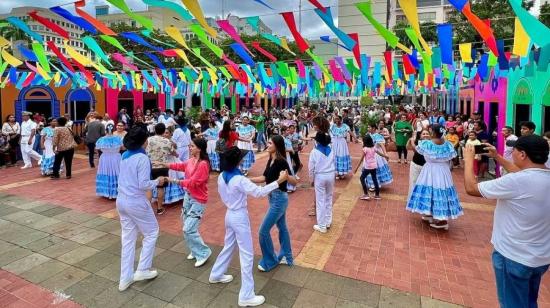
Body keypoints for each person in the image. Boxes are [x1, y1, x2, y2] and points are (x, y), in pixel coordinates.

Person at [463, 135, 550, 308]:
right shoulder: (540, 177)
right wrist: (497, 157)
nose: (513, 154)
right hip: (540, 257)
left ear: (523, 154)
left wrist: (468, 159)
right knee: (529, 301)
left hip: (512, 256)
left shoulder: (516, 181)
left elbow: (471, 188)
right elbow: (525, 174)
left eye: (515, 151)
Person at [209, 146, 287, 307]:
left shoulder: (222, 176)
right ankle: (246, 295)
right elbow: (259, 193)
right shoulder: (239, 179)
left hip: (229, 214)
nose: (243, 159)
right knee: (247, 255)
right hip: (238, 216)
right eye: (241, 158)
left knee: (229, 246)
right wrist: (278, 181)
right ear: (237, 161)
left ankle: (216, 274)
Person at [116, 127, 164, 292]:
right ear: (144, 141)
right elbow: (143, 184)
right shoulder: (142, 158)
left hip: (121, 200)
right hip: (136, 201)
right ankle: (143, 269)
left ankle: (125, 278)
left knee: (128, 239)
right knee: (151, 232)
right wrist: (157, 181)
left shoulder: (124, 155)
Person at [250, 135, 297, 271]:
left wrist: (286, 177)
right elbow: (264, 178)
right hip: (273, 198)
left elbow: (294, 181)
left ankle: (270, 261)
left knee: (263, 231)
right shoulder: (271, 159)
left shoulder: (281, 162)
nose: (267, 144)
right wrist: (247, 180)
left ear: (276, 145)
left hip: (279, 199)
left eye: (270, 143)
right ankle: (287, 256)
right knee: (282, 227)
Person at [165, 138, 212, 267]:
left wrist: (172, 180)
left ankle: (203, 252)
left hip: (198, 199)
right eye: (189, 146)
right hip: (188, 196)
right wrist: (165, 164)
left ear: (199, 148)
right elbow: (181, 166)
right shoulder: (192, 160)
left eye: (192, 146)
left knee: (188, 228)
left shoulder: (203, 164)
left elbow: (193, 182)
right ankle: (195, 250)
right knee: (187, 225)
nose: (189, 148)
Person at [406, 125, 462, 230]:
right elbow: (454, 159)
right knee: (441, 191)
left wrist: (413, 141)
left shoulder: (427, 144)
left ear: (434, 132)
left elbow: (417, 151)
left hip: (430, 170)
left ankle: (442, 220)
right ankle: (431, 214)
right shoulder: (448, 145)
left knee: (430, 191)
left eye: (431, 131)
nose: (430, 133)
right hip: (443, 171)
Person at [308, 131, 335, 233]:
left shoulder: (314, 152)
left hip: (320, 176)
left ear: (317, 141)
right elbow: (334, 162)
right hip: (330, 175)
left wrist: (311, 180)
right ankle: (328, 221)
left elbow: (311, 168)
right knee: (329, 198)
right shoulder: (331, 149)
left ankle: (322, 226)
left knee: (320, 200)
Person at [146, 123, 174, 215]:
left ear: (155, 130)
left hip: (149, 166)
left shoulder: (148, 140)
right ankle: (159, 208)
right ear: (163, 131)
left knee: (149, 187)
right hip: (162, 166)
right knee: (160, 187)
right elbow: (172, 152)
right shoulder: (167, 141)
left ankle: (147, 209)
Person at [95, 124, 123, 199]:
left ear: (105, 130)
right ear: (113, 130)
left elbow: (98, 149)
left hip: (105, 158)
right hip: (116, 158)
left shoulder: (101, 139)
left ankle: (106, 191)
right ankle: (117, 191)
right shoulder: (118, 139)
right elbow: (122, 148)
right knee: (116, 172)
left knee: (106, 172)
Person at [360, 135, 388, 200]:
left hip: (368, 167)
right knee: (374, 179)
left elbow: (361, 159)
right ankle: (377, 195)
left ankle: (366, 194)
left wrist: (356, 168)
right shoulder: (374, 148)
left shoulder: (365, 149)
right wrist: (385, 156)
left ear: (365, 142)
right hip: (374, 166)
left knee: (361, 178)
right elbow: (380, 153)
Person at [365, 124, 393, 188]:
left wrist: (385, 154)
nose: (368, 128)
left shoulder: (378, 136)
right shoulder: (368, 135)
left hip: (376, 155)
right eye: (368, 127)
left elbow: (382, 145)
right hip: (369, 155)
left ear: (374, 128)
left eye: (369, 127)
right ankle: (371, 184)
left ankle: (375, 185)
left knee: (375, 170)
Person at [406, 129, 431, 199]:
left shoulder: (431, 144)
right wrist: (410, 140)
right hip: (415, 165)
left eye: (427, 133)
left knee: (425, 184)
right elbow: (407, 147)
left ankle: (423, 200)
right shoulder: (417, 141)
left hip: (427, 167)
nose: (425, 135)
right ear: (420, 136)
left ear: (430, 136)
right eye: (424, 134)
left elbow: (418, 151)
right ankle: (412, 199)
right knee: (413, 182)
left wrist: (412, 142)